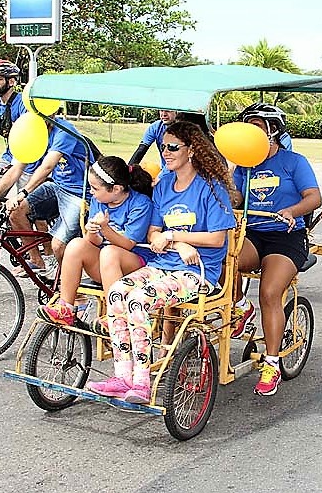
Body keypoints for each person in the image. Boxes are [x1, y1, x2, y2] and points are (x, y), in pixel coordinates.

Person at [87, 121, 236, 403]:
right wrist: (175, 241)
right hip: (162, 264)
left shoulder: (210, 187)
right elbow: (154, 231)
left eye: (172, 147)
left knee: (138, 300)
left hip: (197, 271)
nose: (165, 152)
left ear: (191, 151)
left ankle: (142, 383)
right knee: (118, 292)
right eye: (163, 146)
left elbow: (218, 238)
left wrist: (176, 236)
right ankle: (122, 375)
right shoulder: (164, 184)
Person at [232, 114, 321, 396]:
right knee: (225, 260)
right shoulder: (244, 165)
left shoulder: (294, 161)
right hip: (254, 234)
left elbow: (313, 197)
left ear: (273, 133)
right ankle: (240, 307)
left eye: (257, 128)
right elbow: (236, 199)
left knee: (270, 293)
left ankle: (271, 362)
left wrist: (292, 211)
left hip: (287, 236)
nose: (251, 134)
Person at [37, 156, 154, 326]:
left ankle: (115, 315)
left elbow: (128, 244)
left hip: (134, 265)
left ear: (116, 189)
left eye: (95, 188)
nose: (91, 192)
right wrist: (92, 233)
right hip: (106, 263)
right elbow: (94, 242)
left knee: (110, 252)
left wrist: (105, 228)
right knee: (76, 244)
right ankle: (66, 307)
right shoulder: (99, 200)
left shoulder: (140, 203)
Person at [0, 114, 96, 271]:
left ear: (50, 115)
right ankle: (37, 261)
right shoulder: (36, 133)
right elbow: (17, 169)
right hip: (58, 186)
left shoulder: (64, 131)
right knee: (16, 212)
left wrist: (22, 194)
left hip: (79, 193)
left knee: (58, 245)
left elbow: (47, 167)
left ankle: (72, 290)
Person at [128, 109, 178, 174]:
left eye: (168, 110)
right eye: (161, 110)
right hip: (166, 171)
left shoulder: (186, 129)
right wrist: (128, 171)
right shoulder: (155, 127)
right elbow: (141, 150)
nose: (163, 114)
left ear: (177, 111)